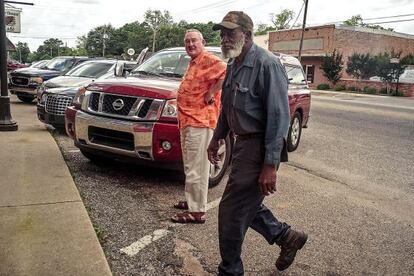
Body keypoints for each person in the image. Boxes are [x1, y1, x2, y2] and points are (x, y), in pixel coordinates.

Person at [207, 11, 308, 275]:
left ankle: (230, 270)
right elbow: (227, 109)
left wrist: (270, 165)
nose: (225, 38)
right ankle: (287, 237)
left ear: (248, 35)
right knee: (246, 205)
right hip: (242, 146)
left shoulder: (267, 64)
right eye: (223, 33)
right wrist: (217, 137)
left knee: (230, 211)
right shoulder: (233, 64)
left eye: (231, 32)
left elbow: (279, 117)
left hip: (259, 147)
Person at [171, 29, 227, 224]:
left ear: (202, 42)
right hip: (188, 120)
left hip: (200, 121)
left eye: (194, 41)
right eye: (187, 42)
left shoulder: (209, 59)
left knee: (198, 168)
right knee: (190, 165)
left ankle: (197, 212)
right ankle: (192, 200)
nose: (190, 44)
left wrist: (211, 92)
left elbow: (228, 73)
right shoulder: (194, 62)